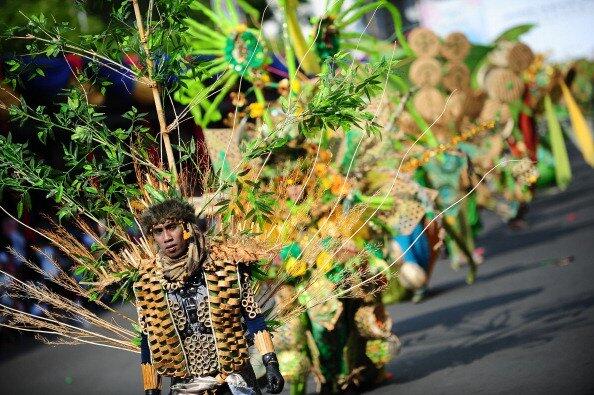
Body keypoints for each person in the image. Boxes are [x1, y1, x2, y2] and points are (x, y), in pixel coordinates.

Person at [134, 198, 284, 395]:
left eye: (171, 227)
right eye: (158, 231)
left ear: (186, 227)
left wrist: (270, 362)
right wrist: (151, 388)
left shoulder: (224, 267)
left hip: (233, 380)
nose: (167, 237)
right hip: (186, 385)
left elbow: (252, 316)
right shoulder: (148, 282)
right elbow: (149, 339)